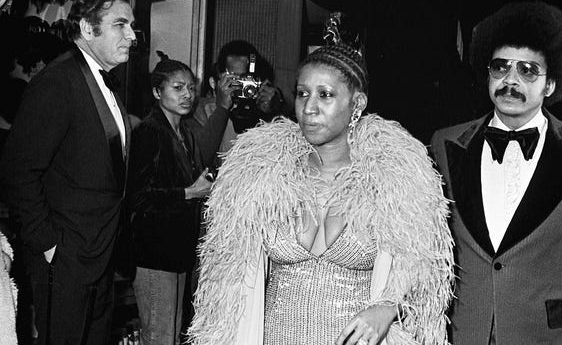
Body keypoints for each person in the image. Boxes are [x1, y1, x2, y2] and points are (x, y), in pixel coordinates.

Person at [188, 30, 455, 344]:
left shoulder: (392, 182)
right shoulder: (262, 178)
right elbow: (225, 275)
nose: (309, 108)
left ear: (357, 104)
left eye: (325, 95)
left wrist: (387, 307)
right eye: (303, 94)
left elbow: (426, 266)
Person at [431, 1, 562, 344]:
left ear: (551, 84)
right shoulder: (445, 144)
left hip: (544, 336)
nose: (510, 81)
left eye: (528, 70)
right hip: (462, 333)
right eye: (501, 67)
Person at [0, 0, 136, 344]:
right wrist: (49, 245)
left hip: (101, 255)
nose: (132, 35)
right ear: (88, 29)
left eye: (132, 25)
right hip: (65, 259)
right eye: (121, 24)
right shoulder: (58, 82)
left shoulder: (105, 86)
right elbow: (17, 170)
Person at [126, 54, 231, 344]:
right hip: (153, 252)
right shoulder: (149, 131)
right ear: (157, 92)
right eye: (177, 88)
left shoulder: (184, 131)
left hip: (177, 249)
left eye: (190, 87)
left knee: (171, 335)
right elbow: (138, 196)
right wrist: (188, 192)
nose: (187, 95)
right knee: (160, 335)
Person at [192, 40, 286, 146]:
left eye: (246, 80)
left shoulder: (261, 107)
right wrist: (222, 109)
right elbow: (201, 156)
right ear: (214, 82)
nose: (242, 86)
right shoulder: (200, 110)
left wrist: (275, 112)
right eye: (235, 79)